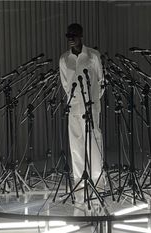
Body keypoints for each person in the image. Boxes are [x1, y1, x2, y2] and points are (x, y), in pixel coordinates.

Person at [59, 23, 104, 202]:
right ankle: (79, 181)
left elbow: (101, 80)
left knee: (93, 142)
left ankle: (98, 180)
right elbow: (65, 83)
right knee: (76, 146)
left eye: (74, 35)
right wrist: (73, 100)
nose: (71, 38)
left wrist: (94, 100)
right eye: (68, 35)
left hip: (90, 106)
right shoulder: (64, 59)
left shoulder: (93, 55)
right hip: (74, 107)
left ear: (81, 35)